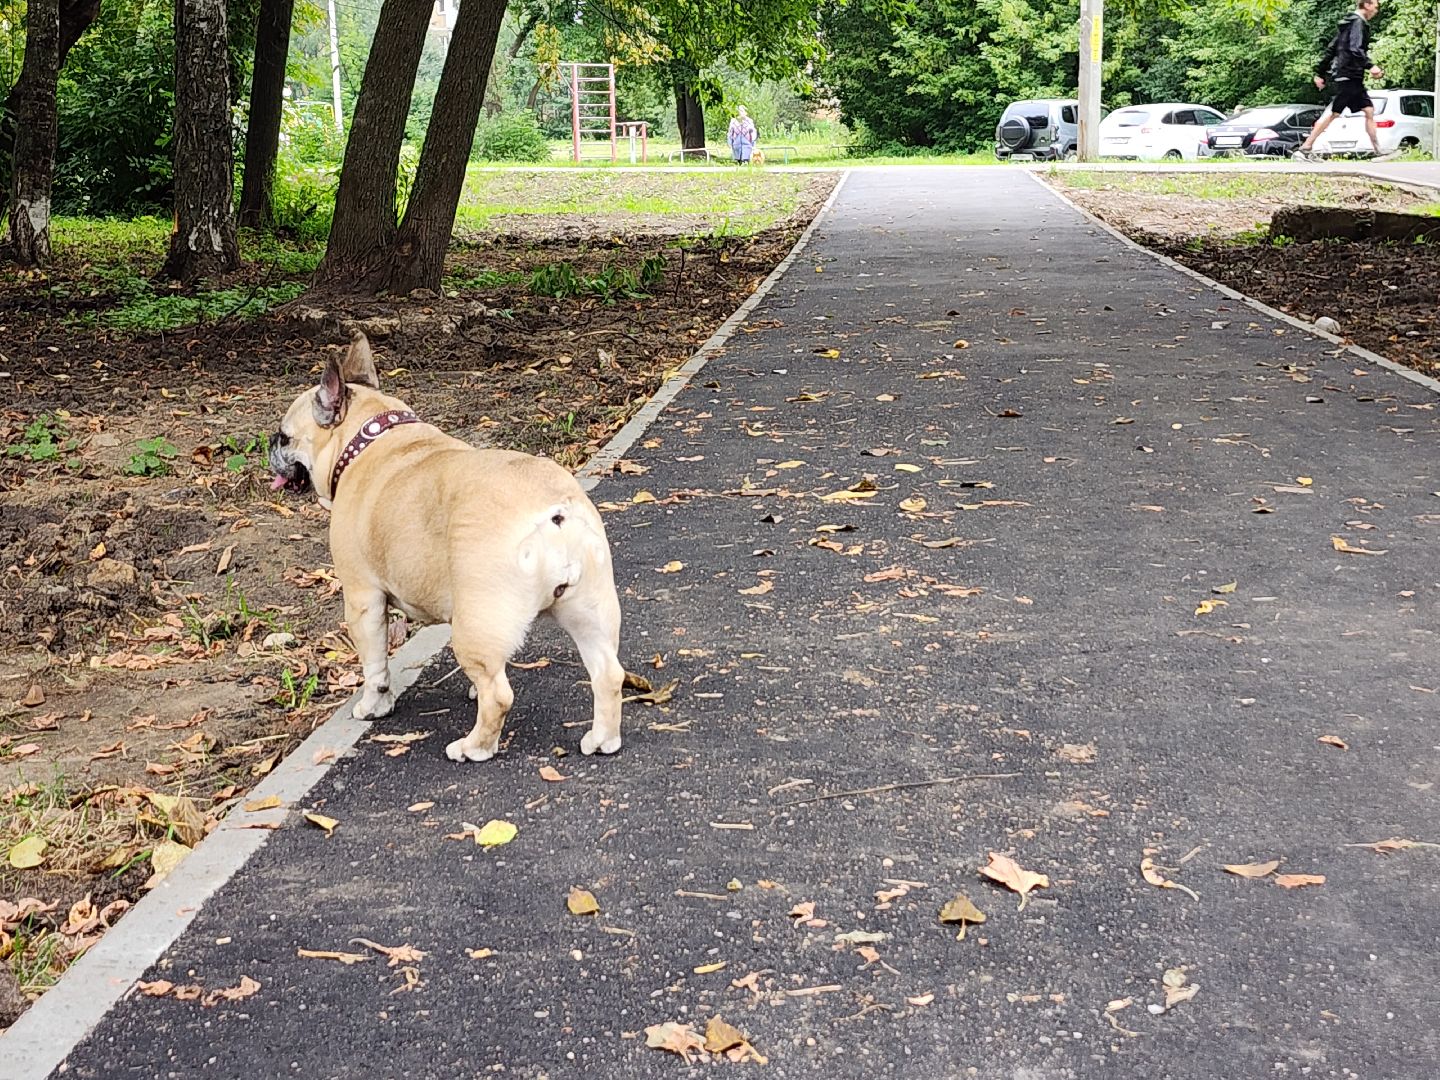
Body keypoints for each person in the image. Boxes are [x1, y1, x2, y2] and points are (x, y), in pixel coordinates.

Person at [1293, 0, 1387, 160]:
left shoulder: (1348, 24)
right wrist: (1371, 66)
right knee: (1334, 113)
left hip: (1351, 76)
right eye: (1375, 7)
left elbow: (1332, 48)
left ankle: (1378, 150)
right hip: (1348, 76)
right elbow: (1355, 49)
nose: (1376, 11)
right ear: (1367, 5)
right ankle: (1305, 148)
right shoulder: (1357, 23)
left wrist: (1319, 73)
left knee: (1368, 111)